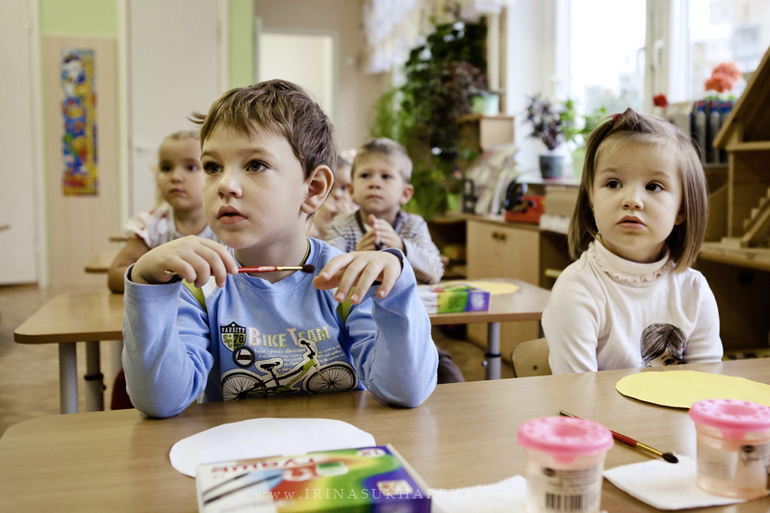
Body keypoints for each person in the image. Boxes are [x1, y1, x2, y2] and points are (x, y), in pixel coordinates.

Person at [121, 80, 438, 418]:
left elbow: (406, 391)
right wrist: (148, 286)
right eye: (212, 167)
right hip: (237, 459)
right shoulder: (199, 283)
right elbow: (160, 401)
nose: (225, 184)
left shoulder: (344, 281)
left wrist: (398, 286)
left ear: (313, 188)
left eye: (255, 165)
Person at [542, 108, 723, 374]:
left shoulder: (694, 290)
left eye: (653, 186)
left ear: (681, 209)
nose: (632, 200)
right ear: (591, 199)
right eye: (613, 184)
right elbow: (576, 397)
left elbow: (706, 386)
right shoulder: (577, 289)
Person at [325, 138, 464, 383]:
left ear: (406, 192)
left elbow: (435, 271)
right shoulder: (342, 226)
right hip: (356, 331)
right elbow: (328, 275)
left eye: (386, 177)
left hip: (407, 329)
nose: (375, 183)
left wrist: (402, 248)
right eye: (365, 175)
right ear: (352, 190)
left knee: (448, 373)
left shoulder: (412, 225)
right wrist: (356, 257)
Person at [108, 130, 219, 294]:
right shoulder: (151, 226)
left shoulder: (227, 223)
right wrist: (149, 274)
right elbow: (115, 277)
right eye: (166, 168)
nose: (175, 177)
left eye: (191, 167)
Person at [306, 151, 357, 239]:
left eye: (344, 188)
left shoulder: (357, 214)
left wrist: (349, 221)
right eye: (332, 187)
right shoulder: (311, 209)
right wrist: (317, 223)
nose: (337, 194)